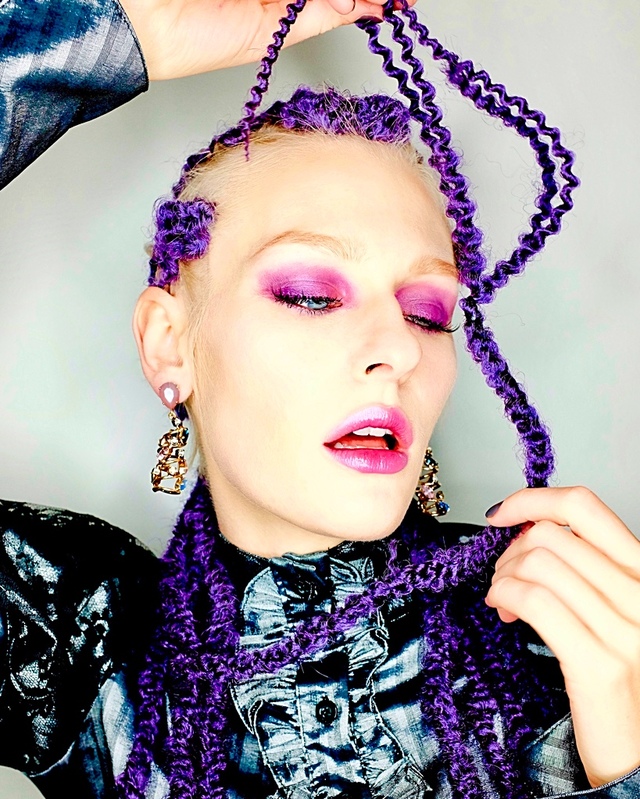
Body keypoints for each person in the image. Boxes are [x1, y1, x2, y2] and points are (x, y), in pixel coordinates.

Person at [2, 1, 640, 798]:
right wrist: (112, 33)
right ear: (169, 342)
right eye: (311, 295)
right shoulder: (77, 633)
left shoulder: (555, 635)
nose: (399, 349)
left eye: (428, 312)